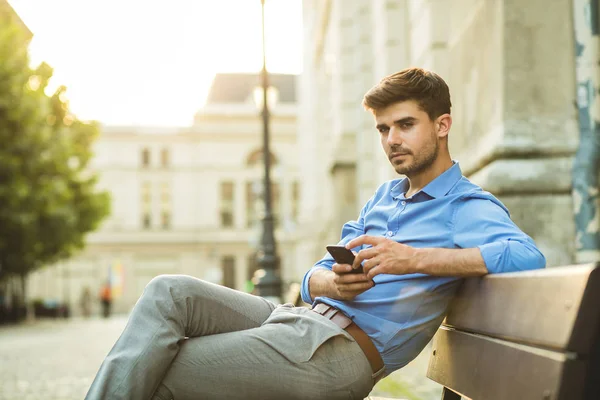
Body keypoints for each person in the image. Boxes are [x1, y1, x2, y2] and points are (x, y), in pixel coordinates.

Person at [85, 68, 545, 400]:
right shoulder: (385, 196)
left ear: (442, 125)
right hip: (296, 318)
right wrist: (332, 281)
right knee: (169, 292)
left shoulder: (465, 206)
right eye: (383, 129)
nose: (391, 140)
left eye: (405, 125)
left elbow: (527, 256)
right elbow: (314, 276)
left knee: (164, 366)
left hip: (337, 354)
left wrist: (415, 259)